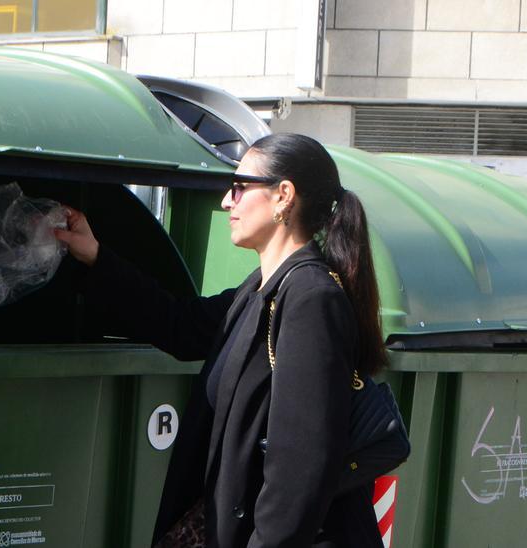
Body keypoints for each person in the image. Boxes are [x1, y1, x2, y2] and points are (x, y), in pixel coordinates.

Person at [55, 133, 386, 548]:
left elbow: (301, 469)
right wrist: (94, 255)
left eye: (239, 187)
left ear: (283, 196)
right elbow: (179, 324)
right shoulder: (261, 290)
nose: (226, 202)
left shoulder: (310, 299)